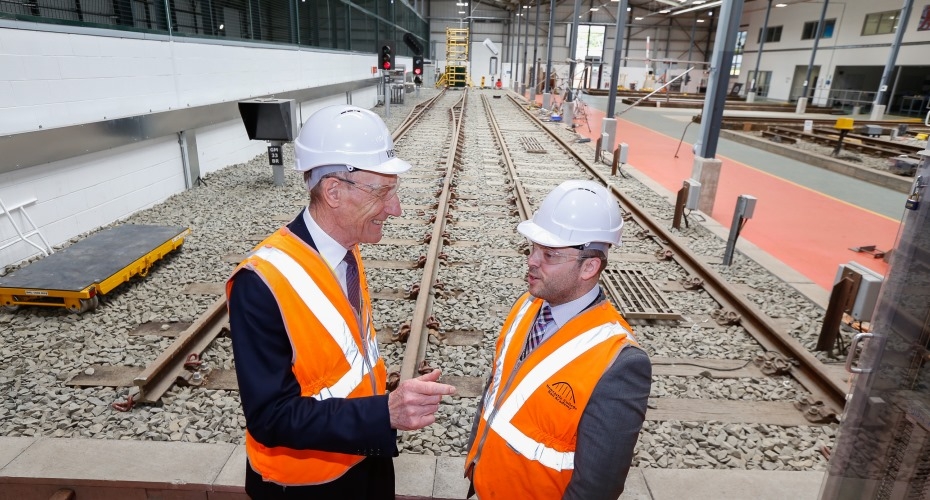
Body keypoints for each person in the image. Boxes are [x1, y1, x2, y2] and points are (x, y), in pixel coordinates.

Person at [227, 104, 456, 499]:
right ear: (333, 191)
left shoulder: (344, 250)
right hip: (306, 485)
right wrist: (384, 412)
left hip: (365, 456)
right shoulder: (260, 283)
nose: (396, 209)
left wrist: (378, 417)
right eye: (383, 192)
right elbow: (269, 417)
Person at [464, 180, 652, 499]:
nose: (532, 261)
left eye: (549, 254)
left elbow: (597, 487)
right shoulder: (527, 306)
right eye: (533, 247)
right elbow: (498, 390)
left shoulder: (619, 362)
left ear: (589, 267)